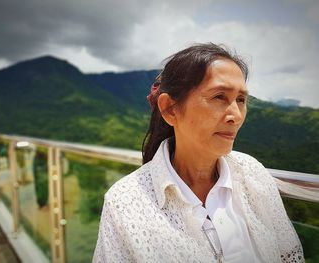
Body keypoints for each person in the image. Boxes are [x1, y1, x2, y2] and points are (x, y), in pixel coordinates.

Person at [93, 43, 304, 263]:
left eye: (240, 100)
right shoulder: (125, 203)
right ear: (170, 109)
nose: (236, 116)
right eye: (219, 97)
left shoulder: (253, 174)